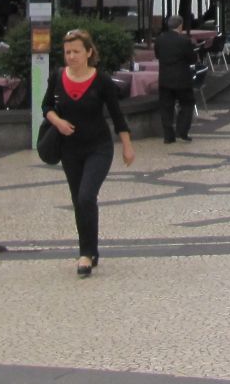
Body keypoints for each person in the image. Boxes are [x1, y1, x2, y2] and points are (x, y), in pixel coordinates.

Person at [42, 28, 134, 278]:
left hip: (98, 147)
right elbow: (46, 106)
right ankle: (89, 250)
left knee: (86, 196)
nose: (71, 56)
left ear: (89, 52)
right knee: (79, 201)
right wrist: (57, 121)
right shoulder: (58, 77)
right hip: (70, 149)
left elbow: (116, 115)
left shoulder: (101, 80)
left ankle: (85, 253)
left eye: (76, 51)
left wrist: (126, 144)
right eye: (67, 52)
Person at [153, 15, 197, 143]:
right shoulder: (184, 41)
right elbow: (192, 59)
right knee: (187, 104)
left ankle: (168, 136)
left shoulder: (160, 40)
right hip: (182, 79)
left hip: (165, 78)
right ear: (180, 25)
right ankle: (182, 130)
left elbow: (157, 55)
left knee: (166, 107)